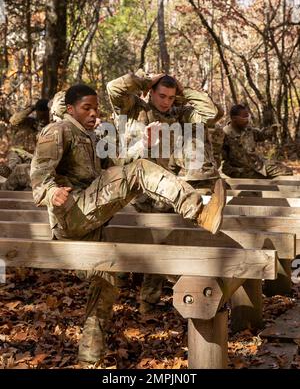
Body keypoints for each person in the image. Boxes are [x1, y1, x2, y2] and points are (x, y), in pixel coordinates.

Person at [30, 83, 226, 365]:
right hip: (72, 214)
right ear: (71, 109)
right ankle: (198, 211)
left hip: (91, 217)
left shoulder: (92, 134)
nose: (93, 113)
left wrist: (143, 145)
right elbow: (39, 176)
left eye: (95, 108)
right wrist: (50, 192)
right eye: (86, 108)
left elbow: (116, 169)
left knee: (105, 286)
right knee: (141, 171)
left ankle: (89, 360)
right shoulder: (58, 130)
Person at [107, 71, 224, 312]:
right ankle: (121, 281)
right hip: (132, 191)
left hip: (164, 194)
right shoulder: (132, 108)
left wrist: (183, 91)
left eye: (171, 97)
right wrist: (145, 79)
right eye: (162, 95)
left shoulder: (178, 113)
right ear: (151, 91)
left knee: (164, 242)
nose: (166, 102)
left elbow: (212, 114)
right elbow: (113, 88)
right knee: (130, 244)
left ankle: (148, 302)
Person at [222, 104, 293, 178]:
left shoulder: (248, 130)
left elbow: (261, 135)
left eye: (248, 116)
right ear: (234, 119)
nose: (247, 120)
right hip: (239, 170)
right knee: (262, 181)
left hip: (258, 165)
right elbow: (220, 158)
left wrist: (272, 130)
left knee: (286, 172)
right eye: (244, 117)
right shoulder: (224, 133)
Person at [0, 99, 49, 190]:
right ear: (37, 112)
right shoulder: (28, 122)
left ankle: (10, 183)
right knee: (13, 164)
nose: (42, 118)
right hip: (18, 153)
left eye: (45, 115)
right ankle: (10, 175)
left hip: (33, 158)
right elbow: (13, 121)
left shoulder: (52, 127)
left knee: (19, 171)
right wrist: (32, 108)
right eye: (40, 114)